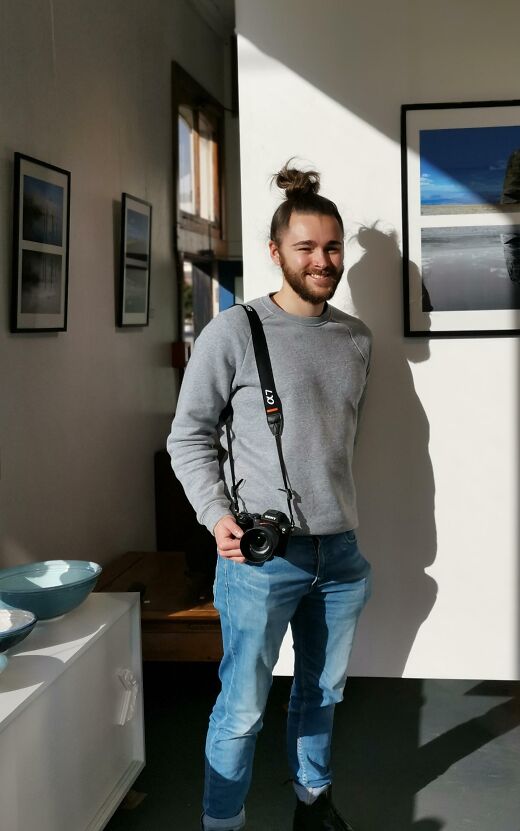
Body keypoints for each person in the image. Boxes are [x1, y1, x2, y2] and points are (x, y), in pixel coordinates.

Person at [167, 163, 372, 831]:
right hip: (262, 559)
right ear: (276, 251)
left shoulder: (356, 338)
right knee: (243, 707)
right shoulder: (234, 331)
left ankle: (313, 804)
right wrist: (215, 515)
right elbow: (188, 435)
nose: (322, 260)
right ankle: (222, 822)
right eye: (306, 246)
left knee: (322, 693)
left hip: (340, 554)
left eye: (332, 247)